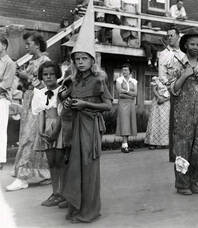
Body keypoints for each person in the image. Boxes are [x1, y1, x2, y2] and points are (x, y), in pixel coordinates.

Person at [62, 0, 112, 222]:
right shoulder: (72, 80)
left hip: (90, 127)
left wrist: (86, 105)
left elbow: (108, 106)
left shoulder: (99, 79)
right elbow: (67, 100)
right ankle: (75, 206)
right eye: (77, 58)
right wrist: (67, 103)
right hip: (73, 126)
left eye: (84, 58)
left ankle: (89, 210)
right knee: (74, 167)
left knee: (88, 168)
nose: (81, 62)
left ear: (92, 60)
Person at [167, 29, 198, 195]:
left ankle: (194, 181)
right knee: (182, 147)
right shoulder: (177, 63)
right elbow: (172, 89)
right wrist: (184, 75)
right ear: (185, 44)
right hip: (182, 113)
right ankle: (182, 184)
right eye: (192, 44)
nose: (194, 47)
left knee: (197, 149)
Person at [6, 32, 51, 191]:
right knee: (27, 136)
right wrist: (22, 78)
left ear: (37, 45)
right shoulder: (33, 61)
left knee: (30, 138)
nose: (26, 47)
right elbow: (28, 84)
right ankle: (42, 174)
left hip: (37, 102)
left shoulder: (45, 61)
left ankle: (23, 178)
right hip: (28, 100)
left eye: (28, 44)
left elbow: (47, 85)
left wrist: (27, 77)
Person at [32, 61, 66, 207]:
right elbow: (40, 113)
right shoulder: (39, 93)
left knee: (60, 161)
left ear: (57, 75)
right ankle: (55, 192)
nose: (48, 77)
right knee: (51, 162)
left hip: (60, 127)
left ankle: (64, 193)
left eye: (52, 74)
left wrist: (55, 131)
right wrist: (40, 131)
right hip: (47, 127)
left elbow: (61, 114)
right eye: (45, 74)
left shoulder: (62, 91)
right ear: (41, 76)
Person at [157, 25, 185, 161]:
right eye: (167, 36)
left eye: (172, 35)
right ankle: (174, 153)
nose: (169, 38)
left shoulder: (184, 54)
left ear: (178, 36)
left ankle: (185, 152)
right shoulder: (163, 54)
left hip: (187, 90)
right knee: (174, 123)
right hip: (173, 92)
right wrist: (171, 88)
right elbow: (162, 76)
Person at [0, 37, 16, 170]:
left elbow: (6, 84)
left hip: (2, 99)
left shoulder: (9, 63)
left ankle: (1, 159)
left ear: (4, 45)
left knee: (1, 129)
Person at [115, 63, 137, 153]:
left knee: (129, 124)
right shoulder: (119, 80)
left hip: (131, 104)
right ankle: (124, 146)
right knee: (124, 123)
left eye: (126, 70)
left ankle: (125, 145)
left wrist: (126, 92)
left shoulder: (134, 81)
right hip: (123, 104)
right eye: (123, 70)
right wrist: (130, 93)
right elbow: (119, 93)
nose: (124, 72)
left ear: (130, 71)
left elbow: (136, 94)